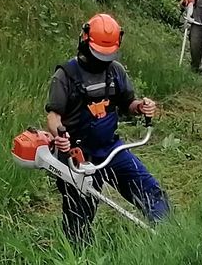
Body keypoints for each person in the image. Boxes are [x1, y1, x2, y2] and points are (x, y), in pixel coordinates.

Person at [45, 13, 170, 245]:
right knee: (78, 218)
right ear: (85, 41)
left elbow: (128, 104)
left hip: (111, 149)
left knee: (151, 192)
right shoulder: (65, 75)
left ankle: (169, 240)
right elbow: (53, 117)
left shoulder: (115, 71)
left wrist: (142, 107)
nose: (102, 60)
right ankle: (80, 256)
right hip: (78, 157)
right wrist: (59, 135)